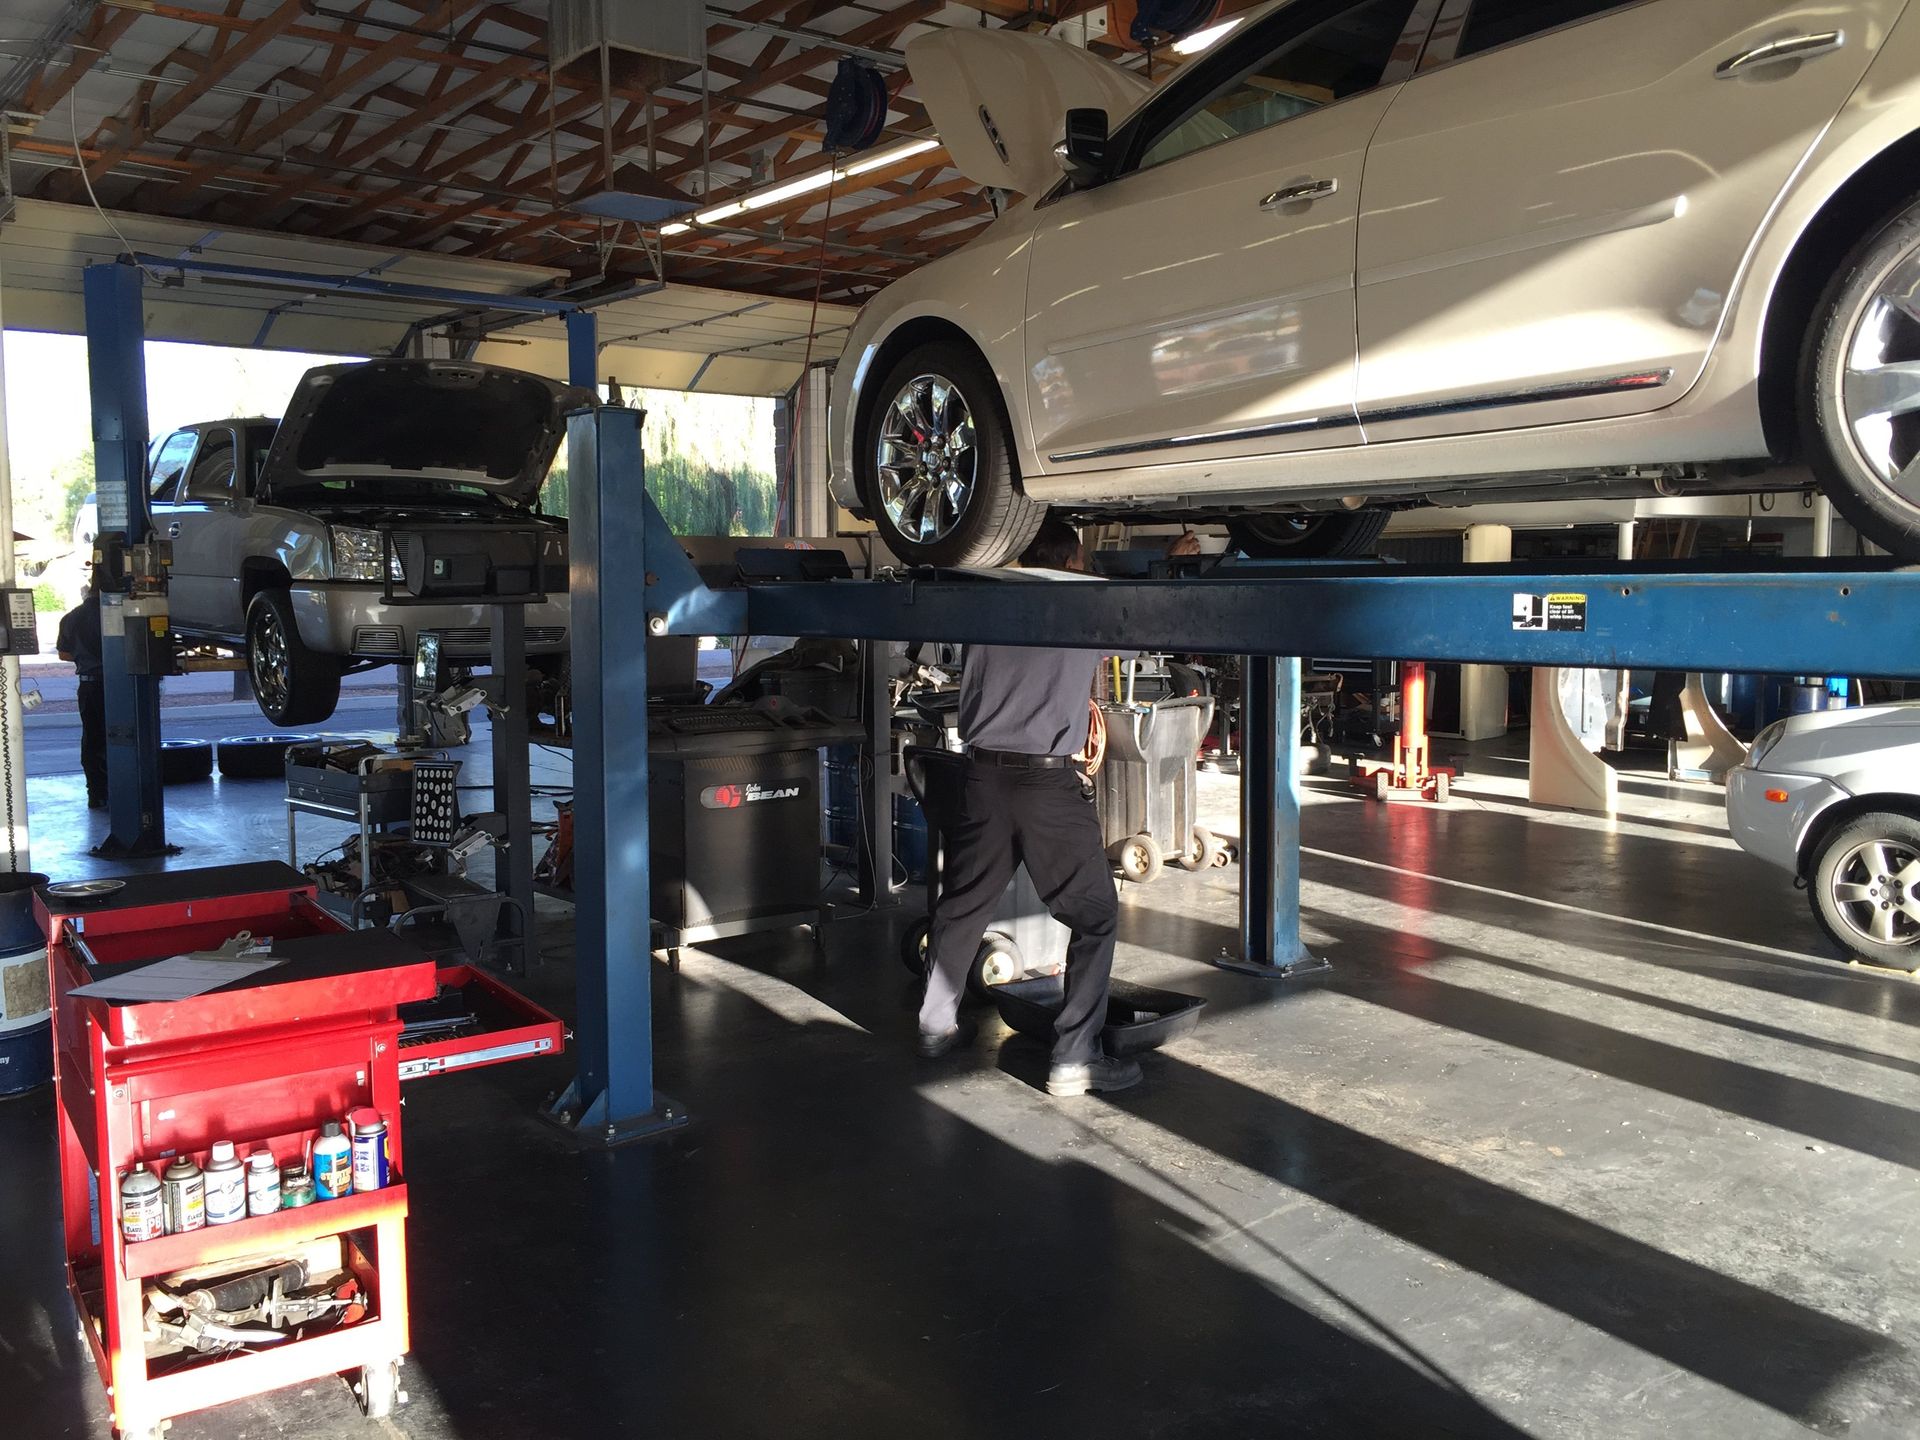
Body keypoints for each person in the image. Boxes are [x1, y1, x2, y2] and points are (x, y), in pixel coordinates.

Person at [919, 521, 1193, 1097]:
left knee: (964, 905)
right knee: (1094, 916)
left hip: (982, 777)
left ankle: (935, 1025)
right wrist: (1168, 562)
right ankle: (1073, 1058)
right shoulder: (1082, 607)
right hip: (1047, 786)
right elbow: (1149, 621)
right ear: (1072, 560)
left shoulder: (982, 601)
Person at [56, 582, 106, 810]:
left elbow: (64, 654)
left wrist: (83, 656)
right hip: (120, 685)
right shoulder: (116, 613)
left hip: (88, 686)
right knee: (124, 737)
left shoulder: (70, 617)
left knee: (92, 741)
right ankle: (126, 789)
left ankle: (96, 793)